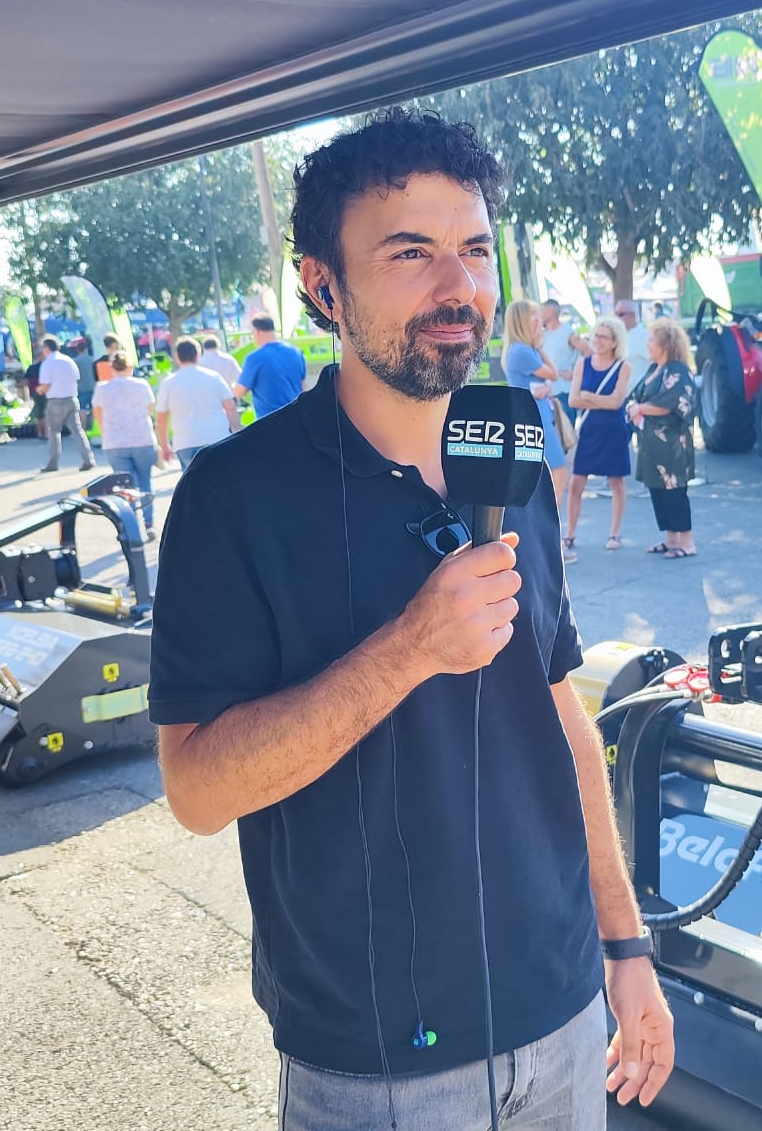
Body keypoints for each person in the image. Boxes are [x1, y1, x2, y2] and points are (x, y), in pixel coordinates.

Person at [150, 107, 670, 1130]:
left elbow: (559, 716)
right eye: (410, 253)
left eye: (475, 249)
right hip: (374, 1062)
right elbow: (198, 789)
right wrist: (404, 652)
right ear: (321, 286)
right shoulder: (233, 498)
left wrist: (625, 948)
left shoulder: (511, 452)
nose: (457, 286)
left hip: (562, 1012)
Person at [626, 319, 698, 559]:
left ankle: (686, 541)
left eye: (650, 339)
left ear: (665, 343)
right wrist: (635, 407)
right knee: (657, 489)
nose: (647, 344)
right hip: (652, 443)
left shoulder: (677, 370)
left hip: (672, 445)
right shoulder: (653, 368)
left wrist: (642, 408)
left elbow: (671, 402)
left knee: (674, 491)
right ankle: (670, 539)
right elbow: (638, 396)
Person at [565, 316, 633, 560]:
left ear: (615, 342)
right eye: (595, 335)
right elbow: (573, 400)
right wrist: (600, 400)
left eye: (603, 337)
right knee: (576, 484)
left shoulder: (623, 367)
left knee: (616, 482)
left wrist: (589, 396)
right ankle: (570, 533)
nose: (597, 340)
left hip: (614, 430)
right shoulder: (583, 364)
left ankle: (614, 533)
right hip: (589, 430)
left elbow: (617, 402)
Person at [501, 298, 571, 510]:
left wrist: (547, 386)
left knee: (550, 473)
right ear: (524, 320)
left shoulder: (521, 350)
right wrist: (539, 346)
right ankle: (553, 522)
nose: (539, 319)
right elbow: (552, 373)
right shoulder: (522, 351)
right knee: (558, 472)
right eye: (534, 314)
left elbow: (548, 378)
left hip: (536, 415)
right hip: (535, 418)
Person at [92, 353, 161, 539]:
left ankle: (132, 528)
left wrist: (105, 431)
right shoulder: (141, 385)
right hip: (142, 438)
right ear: (130, 367)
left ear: (112, 368)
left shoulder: (102, 388)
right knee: (145, 482)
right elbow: (150, 409)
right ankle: (149, 524)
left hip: (115, 441)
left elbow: (98, 413)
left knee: (124, 487)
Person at [156, 337, 239, 469]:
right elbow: (230, 407)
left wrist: (164, 445)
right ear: (198, 354)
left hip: (185, 441)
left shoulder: (168, 383)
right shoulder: (214, 377)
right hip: (216, 436)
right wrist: (235, 429)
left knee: (193, 485)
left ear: (177, 356)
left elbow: (161, 419)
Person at [35, 335, 96, 472]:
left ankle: (53, 462)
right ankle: (88, 459)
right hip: (71, 398)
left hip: (56, 400)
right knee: (77, 431)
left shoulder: (48, 363)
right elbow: (76, 378)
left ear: (46, 348)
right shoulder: (68, 360)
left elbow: (46, 385)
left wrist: (39, 390)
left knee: (54, 432)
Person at [235, 315, 308, 418]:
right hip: (295, 417)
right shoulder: (296, 352)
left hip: (268, 421)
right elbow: (303, 386)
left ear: (257, 332)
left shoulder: (254, 358)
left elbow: (239, 392)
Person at [614, 300, 651, 371]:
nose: (616, 318)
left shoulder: (645, 337)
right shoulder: (615, 336)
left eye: (620, 314)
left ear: (633, 315)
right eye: (615, 314)